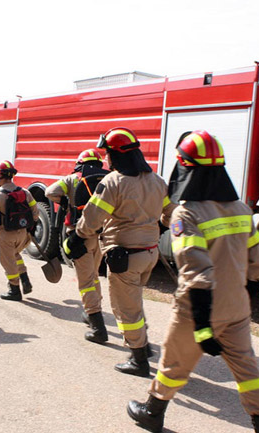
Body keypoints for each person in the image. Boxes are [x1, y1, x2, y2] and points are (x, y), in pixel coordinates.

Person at [127, 130, 259, 433]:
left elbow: (197, 272)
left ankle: (152, 413)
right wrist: (243, 297)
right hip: (237, 306)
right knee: (247, 368)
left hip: (200, 308)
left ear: (186, 169)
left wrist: (204, 327)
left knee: (173, 363)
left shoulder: (187, 214)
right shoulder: (242, 210)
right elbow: (257, 264)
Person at [69, 127, 176, 376]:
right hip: (150, 254)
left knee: (126, 309)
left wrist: (78, 236)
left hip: (124, 256)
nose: (105, 159)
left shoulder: (113, 182)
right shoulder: (157, 181)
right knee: (134, 301)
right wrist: (156, 225)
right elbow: (170, 216)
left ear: (116, 155)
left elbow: (93, 218)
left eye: (107, 154)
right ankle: (143, 345)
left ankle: (138, 359)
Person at [46, 149, 110, 343]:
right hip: (101, 235)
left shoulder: (73, 178)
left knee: (85, 281)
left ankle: (97, 326)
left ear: (79, 163)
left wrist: (64, 200)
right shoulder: (108, 179)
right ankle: (92, 310)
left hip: (79, 235)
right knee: (93, 275)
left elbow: (49, 192)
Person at [0, 160, 39, 301]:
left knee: (8, 262)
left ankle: (14, 290)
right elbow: (35, 211)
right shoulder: (25, 192)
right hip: (23, 234)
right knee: (15, 255)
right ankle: (25, 279)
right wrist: (30, 226)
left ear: (0, 176)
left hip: (6, 234)